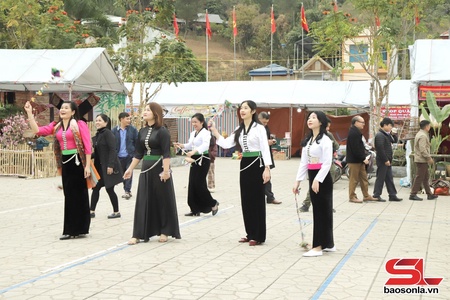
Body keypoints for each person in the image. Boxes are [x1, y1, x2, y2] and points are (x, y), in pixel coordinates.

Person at [24, 100, 91, 240]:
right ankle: (71, 228)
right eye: (61, 108)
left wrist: (88, 166)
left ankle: (78, 229)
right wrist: (30, 113)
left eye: (66, 108)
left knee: (79, 194)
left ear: (73, 112)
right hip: (65, 163)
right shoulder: (56, 126)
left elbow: (87, 145)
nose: (63, 109)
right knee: (69, 195)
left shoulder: (80, 124)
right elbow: (38, 131)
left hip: (78, 161)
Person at [209, 100, 272, 246]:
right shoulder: (239, 128)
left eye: (246, 108)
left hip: (258, 164)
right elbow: (226, 144)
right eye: (241, 108)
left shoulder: (259, 128)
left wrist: (267, 168)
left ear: (253, 111)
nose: (242, 110)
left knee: (257, 200)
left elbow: (264, 148)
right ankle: (249, 233)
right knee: (246, 199)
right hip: (244, 165)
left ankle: (258, 235)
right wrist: (215, 131)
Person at [124, 103, 181, 244]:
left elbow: (166, 153)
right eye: (145, 110)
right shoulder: (142, 131)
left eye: (148, 110)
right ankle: (138, 233)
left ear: (156, 113)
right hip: (146, 170)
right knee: (143, 200)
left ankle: (165, 230)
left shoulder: (162, 131)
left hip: (160, 169)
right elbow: (138, 153)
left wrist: (166, 171)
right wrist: (130, 169)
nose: (145, 112)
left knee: (162, 200)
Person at [293, 111, 334, 257]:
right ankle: (328, 243)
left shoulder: (326, 140)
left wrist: (318, 179)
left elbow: (327, 162)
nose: (310, 120)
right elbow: (304, 163)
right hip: (312, 175)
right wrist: (298, 181)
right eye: (309, 117)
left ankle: (318, 246)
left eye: (314, 117)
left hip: (322, 178)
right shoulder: (309, 140)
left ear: (321, 121)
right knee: (322, 210)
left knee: (322, 212)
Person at [173, 113, 219, 217]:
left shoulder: (206, 133)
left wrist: (194, 151)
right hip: (194, 159)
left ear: (202, 122)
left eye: (196, 122)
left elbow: (205, 145)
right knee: (192, 183)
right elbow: (190, 144)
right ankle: (194, 209)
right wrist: (182, 145)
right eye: (192, 122)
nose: (194, 124)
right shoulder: (193, 133)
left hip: (203, 159)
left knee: (199, 184)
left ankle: (213, 203)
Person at [300, 117, 339, 212]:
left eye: (329, 127)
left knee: (326, 188)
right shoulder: (312, 137)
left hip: (327, 164)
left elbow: (336, 146)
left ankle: (327, 205)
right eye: (327, 126)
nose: (328, 129)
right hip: (316, 166)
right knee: (314, 185)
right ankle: (307, 203)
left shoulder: (328, 136)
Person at [90, 114, 124, 219]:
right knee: (95, 188)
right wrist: (86, 157)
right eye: (96, 120)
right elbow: (98, 153)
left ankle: (116, 212)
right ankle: (91, 211)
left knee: (109, 189)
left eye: (100, 120)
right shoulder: (99, 134)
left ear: (106, 122)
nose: (97, 122)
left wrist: (110, 166)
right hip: (99, 167)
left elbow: (112, 150)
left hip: (108, 167)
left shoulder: (108, 134)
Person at [346, 116, 381, 203]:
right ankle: (352, 196)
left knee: (364, 178)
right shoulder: (353, 133)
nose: (363, 124)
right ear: (356, 122)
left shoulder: (357, 132)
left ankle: (366, 195)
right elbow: (355, 149)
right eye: (362, 122)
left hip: (360, 160)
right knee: (353, 180)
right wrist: (363, 158)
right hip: (354, 161)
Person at [373, 117, 403, 202]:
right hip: (383, 160)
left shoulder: (386, 134)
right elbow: (380, 149)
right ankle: (376, 195)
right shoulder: (380, 135)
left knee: (389, 178)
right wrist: (385, 160)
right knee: (380, 178)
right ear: (385, 125)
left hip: (387, 160)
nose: (391, 128)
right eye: (390, 126)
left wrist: (393, 134)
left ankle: (392, 195)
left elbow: (394, 141)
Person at [112, 112, 138, 200]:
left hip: (130, 156)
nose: (129, 120)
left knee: (129, 172)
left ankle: (127, 191)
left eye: (129, 119)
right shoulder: (114, 130)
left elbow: (137, 142)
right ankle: (126, 189)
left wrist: (135, 153)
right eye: (127, 119)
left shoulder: (133, 130)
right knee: (123, 174)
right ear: (121, 119)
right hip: (118, 156)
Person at [409, 120, 438, 201]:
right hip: (422, 159)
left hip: (421, 159)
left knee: (425, 177)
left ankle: (429, 194)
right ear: (426, 127)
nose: (430, 127)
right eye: (429, 126)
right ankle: (413, 194)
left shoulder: (421, 134)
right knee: (419, 177)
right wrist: (429, 158)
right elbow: (422, 149)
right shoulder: (422, 136)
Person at [258, 111, 282, 204]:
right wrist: (266, 142)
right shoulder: (255, 128)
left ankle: (270, 197)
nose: (265, 124)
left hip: (266, 155)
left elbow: (267, 139)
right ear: (259, 119)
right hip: (258, 157)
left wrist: (271, 141)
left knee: (267, 178)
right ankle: (269, 197)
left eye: (267, 122)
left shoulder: (266, 128)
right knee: (261, 178)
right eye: (263, 122)